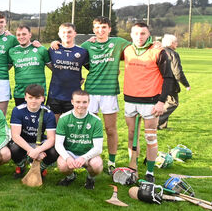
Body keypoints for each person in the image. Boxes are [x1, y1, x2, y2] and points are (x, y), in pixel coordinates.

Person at [75, 17, 130, 174]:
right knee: (89, 128)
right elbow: (74, 55)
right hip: (90, 91)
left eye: (104, 27)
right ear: (93, 29)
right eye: (97, 28)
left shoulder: (118, 42)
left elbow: (138, 49)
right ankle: (88, 158)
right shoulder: (87, 45)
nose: (100, 30)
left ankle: (111, 162)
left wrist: (155, 43)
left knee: (110, 129)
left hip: (109, 93)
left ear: (109, 29)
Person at [122, 22, 174, 182]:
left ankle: (150, 172)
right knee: (131, 136)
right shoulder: (127, 50)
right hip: (130, 100)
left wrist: (161, 102)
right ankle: (133, 168)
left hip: (151, 102)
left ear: (149, 35)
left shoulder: (158, 51)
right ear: (131, 35)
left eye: (143, 33)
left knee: (150, 137)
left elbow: (168, 78)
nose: (139, 37)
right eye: (136, 33)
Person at [55, 90, 104, 190]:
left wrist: (84, 158)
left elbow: (98, 148)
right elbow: (58, 144)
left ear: (89, 102)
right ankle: (70, 177)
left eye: (84, 102)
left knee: (97, 165)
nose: (81, 105)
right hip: (71, 153)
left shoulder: (96, 120)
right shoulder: (64, 118)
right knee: (62, 165)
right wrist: (68, 158)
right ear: (72, 102)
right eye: (78, 102)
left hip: (88, 154)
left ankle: (90, 178)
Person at [8, 84, 57, 180]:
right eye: (30, 97)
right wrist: (31, 151)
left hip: (39, 142)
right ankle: (21, 166)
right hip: (23, 142)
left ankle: (40, 168)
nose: (33, 101)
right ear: (25, 97)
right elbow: (15, 136)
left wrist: (38, 150)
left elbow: (51, 138)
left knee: (54, 151)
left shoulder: (48, 113)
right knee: (13, 148)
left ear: (43, 98)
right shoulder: (18, 110)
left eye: (37, 98)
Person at [47, 23, 88, 122]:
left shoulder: (82, 52)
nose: (66, 34)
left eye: (69, 32)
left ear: (75, 34)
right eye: (63, 32)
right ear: (59, 34)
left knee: (70, 127)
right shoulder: (52, 50)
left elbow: (93, 68)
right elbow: (49, 64)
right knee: (54, 127)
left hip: (73, 95)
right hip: (55, 94)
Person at [8, 25, 50, 106]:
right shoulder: (12, 51)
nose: (21, 37)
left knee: (39, 118)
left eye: (24, 34)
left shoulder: (41, 49)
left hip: (38, 94)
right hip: (20, 93)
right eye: (18, 35)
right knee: (21, 118)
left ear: (30, 35)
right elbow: (5, 68)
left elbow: (53, 68)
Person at [158, 34, 190, 130]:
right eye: (176, 42)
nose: (177, 44)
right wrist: (186, 84)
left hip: (157, 81)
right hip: (169, 82)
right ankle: (157, 121)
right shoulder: (173, 54)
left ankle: (162, 125)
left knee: (164, 102)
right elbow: (177, 72)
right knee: (173, 102)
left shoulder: (159, 51)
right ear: (172, 43)